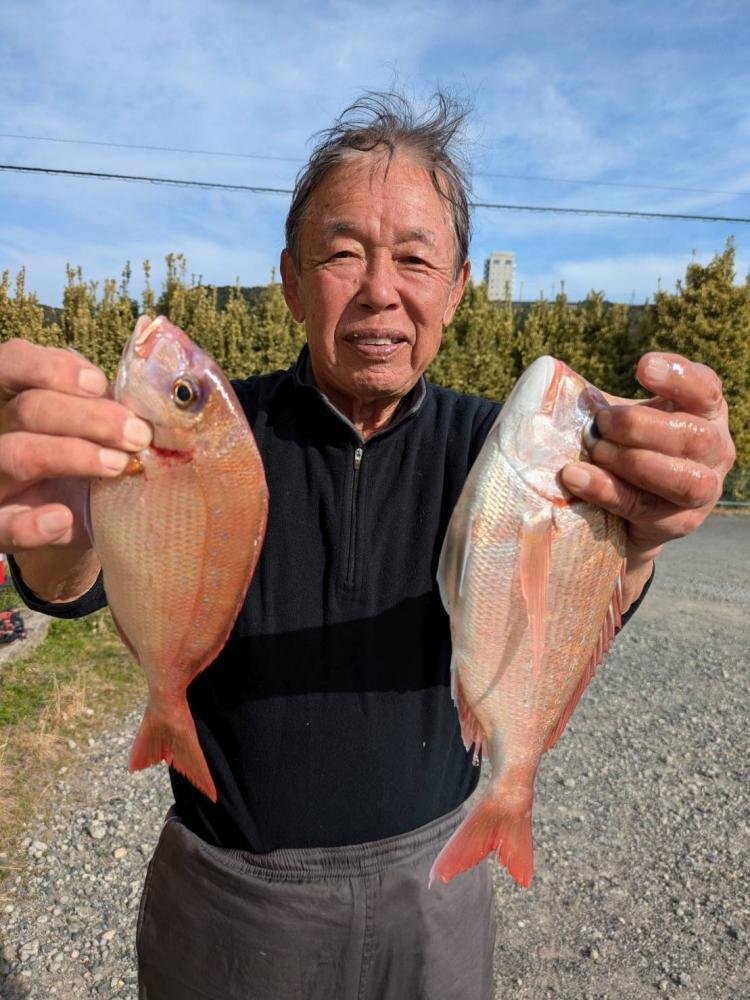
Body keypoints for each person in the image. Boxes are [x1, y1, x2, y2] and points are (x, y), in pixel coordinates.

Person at [0, 93, 736, 999]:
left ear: (457, 290)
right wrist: (54, 532)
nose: (380, 289)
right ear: (290, 282)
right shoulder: (218, 435)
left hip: (436, 892)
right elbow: (74, 582)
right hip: (230, 892)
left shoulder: (504, 450)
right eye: (342, 253)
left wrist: (643, 530)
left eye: (416, 259)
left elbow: (582, 590)